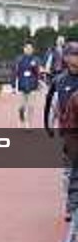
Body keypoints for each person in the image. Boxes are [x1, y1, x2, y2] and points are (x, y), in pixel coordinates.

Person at [44, 41, 78, 223]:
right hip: (68, 132)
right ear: (66, 58)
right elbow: (50, 104)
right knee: (69, 171)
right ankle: (71, 205)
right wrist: (48, 126)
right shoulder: (59, 81)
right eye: (74, 54)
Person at [11, 41, 42, 128]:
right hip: (22, 85)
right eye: (27, 48)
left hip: (32, 85)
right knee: (21, 106)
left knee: (31, 106)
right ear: (24, 49)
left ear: (33, 50)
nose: (28, 50)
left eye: (30, 48)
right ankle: (21, 116)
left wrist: (39, 82)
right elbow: (14, 73)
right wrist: (13, 86)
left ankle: (29, 123)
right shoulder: (19, 59)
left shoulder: (36, 60)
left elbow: (38, 73)